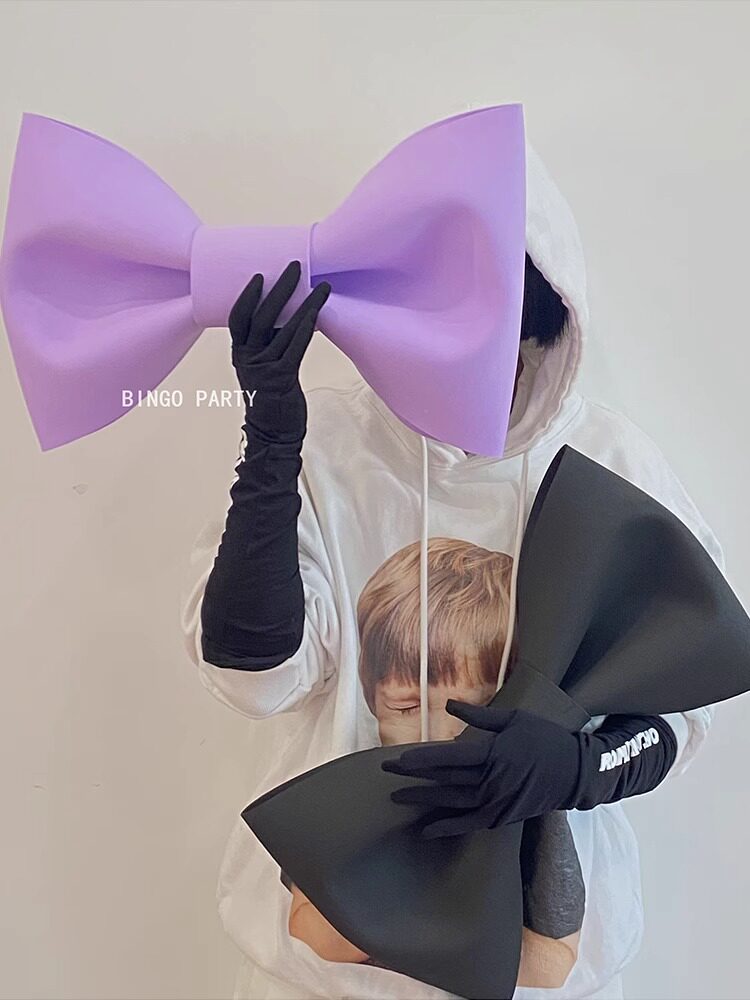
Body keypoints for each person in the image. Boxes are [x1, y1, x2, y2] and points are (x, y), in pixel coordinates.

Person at [180, 141, 724, 1000]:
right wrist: (271, 446)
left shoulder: (611, 461)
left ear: (540, 318)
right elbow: (257, 679)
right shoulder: (328, 449)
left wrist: (580, 768)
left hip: (548, 980)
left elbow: (685, 699)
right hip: (315, 978)